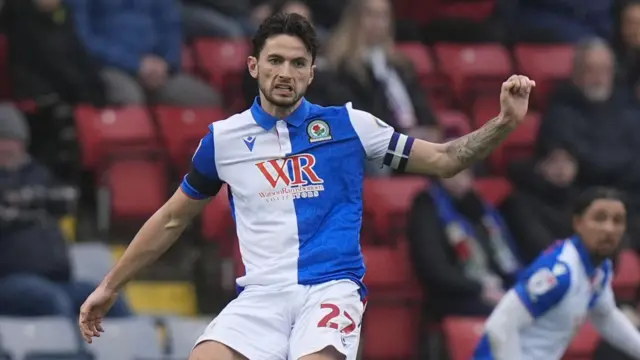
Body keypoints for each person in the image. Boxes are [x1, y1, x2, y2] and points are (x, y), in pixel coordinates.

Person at [78, 11, 536, 360]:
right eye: (275, 60)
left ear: (312, 73)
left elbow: (443, 159)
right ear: (254, 66)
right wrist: (111, 285)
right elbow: (173, 217)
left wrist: (503, 123)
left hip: (330, 290)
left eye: (298, 63)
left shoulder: (350, 126)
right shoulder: (223, 140)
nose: (286, 72)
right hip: (259, 296)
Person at [473, 187, 640, 360]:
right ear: (578, 223)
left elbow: (605, 316)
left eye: (618, 221)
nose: (609, 229)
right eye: (599, 219)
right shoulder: (558, 273)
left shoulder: (600, 268)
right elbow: (499, 326)